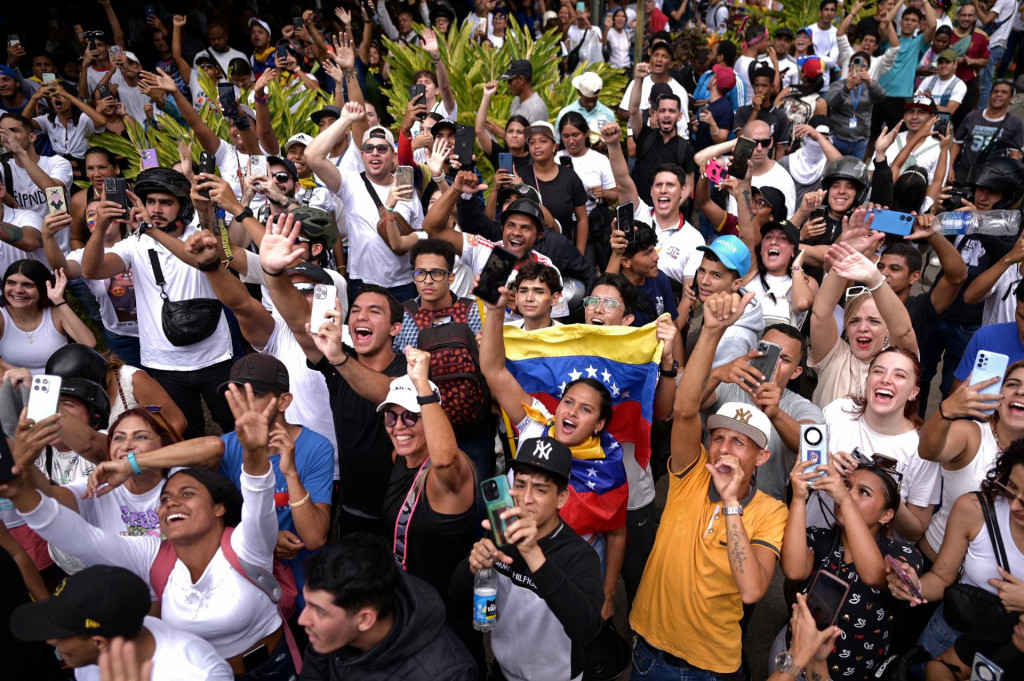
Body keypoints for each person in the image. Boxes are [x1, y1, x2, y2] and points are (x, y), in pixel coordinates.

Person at [1, 382, 299, 676]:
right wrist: (17, 479)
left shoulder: (242, 541)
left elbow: (257, 500)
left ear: (218, 507)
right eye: (165, 499)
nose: (172, 503)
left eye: (187, 495)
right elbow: (80, 537)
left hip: (274, 668)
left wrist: (256, 454)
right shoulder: (149, 551)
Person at [630, 289, 788, 678]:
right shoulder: (690, 474)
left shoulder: (772, 512)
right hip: (646, 650)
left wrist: (732, 504)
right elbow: (684, 409)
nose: (723, 448)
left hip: (705, 668)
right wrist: (713, 332)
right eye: (717, 437)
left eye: (738, 441)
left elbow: (752, 591)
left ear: (761, 457)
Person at [258, 214, 408, 539]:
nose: (361, 316)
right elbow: (301, 323)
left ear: (396, 328)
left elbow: (389, 392)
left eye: (374, 311)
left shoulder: (410, 368)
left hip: (404, 511)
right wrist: (272, 273)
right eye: (356, 311)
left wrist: (339, 357)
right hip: (354, 511)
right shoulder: (335, 363)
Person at [80, 168, 234, 439]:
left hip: (215, 357)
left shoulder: (201, 235)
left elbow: (202, 259)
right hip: (163, 363)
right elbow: (91, 271)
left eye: (165, 202)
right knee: (185, 434)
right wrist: (102, 225)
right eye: (150, 201)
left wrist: (149, 229)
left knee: (233, 425)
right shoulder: (134, 244)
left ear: (182, 206)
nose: (156, 208)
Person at [452, 435, 604, 681]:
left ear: (562, 498)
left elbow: (587, 627)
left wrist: (533, 554)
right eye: (521, 485)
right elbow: (457, 596)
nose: (526, 498)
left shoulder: (579, 555)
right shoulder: (501, 531)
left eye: (541, 489)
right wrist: (471, 568)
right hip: (502, 672)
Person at [781, 451, 921, 681]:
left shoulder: (900, 552)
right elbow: (794, 570)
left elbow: (874, 575)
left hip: (854, 674)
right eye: (846, 486)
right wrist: (798, 497)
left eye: (863, 492)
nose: (845, 494)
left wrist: (846, 501)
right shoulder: (818, 538)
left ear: (886, 515)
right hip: (795, 662)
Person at [216, 354, 333, 609]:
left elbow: (314, 538)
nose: (243, 405)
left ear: (284, 401)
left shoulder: (317, 447)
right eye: (236, 395)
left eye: (254, 395)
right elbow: (212, 523)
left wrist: (290, 472)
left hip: (305, 584)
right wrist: (266, 539)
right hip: (245, 584)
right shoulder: (222, 447)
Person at [887, 443, 1024, 660]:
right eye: (1010, 488)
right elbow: (942, 577)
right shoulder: (974, 508)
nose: (1015, 506)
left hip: (1011, 652)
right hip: (950, 635)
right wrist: (916, 585)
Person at [298, 533, 476, 680]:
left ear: (365, 619)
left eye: (319, 611)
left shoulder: (445, 674)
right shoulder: (327, 634)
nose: (302, 620)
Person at [10, 565, 232, 680]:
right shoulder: (98, 645)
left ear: (99, 643)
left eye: (61, 633)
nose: (50, 641)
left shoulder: (199, 674)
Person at [389, 239, 491, 475]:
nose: (427, 280)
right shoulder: (402, 316)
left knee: (476, 490)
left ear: (451, 277)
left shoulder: (474, 310)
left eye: (436, 273)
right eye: (421, 273)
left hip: (474, 423)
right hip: (421, 427)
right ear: (413, 275)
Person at [305, 104, 424, 302]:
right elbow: (311, 156)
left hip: (404, 286)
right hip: (362, 285)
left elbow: (420, 233)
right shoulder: (350, 182)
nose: (374, 152)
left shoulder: (407, 189)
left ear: (393, 155)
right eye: (368, 148)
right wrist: (344, 120)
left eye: (382, 148)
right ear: (362, 155)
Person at [821, 347, 940, 542]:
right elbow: (800, 475)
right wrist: (824, 465)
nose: (886, 379)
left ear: (914, 392)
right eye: (878, 371)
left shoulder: (921, 449)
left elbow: (916, 531)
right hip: (815, 543)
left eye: (899, 375)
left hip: (874, 559)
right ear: (868, 380)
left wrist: (887, 490)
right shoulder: (837, 413)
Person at [702, 324, 825, 502]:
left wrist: (776, 414)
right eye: (768, 351)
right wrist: (716, 375)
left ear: (796, 372)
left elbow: (812, 449)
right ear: (754, 352)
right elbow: (686, 406)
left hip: (764, 512)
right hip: (707, 499)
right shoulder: (728, 384)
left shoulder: (803, 407)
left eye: (785, 359)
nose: (775, 363)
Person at [918, 360, 1024, 560]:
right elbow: (928, 451)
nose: (1020, 392)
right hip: (931, 563)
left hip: (992, 585)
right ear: (998, 394)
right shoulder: (971, 434)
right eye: (1012, 384)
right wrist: (946, 411)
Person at [808, 233, 919, 406]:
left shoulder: (898, 365)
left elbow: (904, 331)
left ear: (888, 330)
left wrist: (875, 279)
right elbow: (820, 314)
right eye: (854, 321)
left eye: (873, 321)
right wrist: (847, 256)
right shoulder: (834, 356)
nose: (863, 328)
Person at [0, 259, 94, 377]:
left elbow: (88, 344)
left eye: (28, 285)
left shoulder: (55, 314)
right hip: (17, 388)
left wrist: (58, 300)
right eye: (11, 283)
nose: (18, 290)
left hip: (59, 389)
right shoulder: (2, 317)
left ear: (42, 289)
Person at [683, 235, 765, 368]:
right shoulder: (714, 302)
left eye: (716, 275)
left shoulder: (733, 339)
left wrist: (677, 377)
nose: (704, 281)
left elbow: (719, 388)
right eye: (702, 271)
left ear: (736, 284)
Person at [628, 63, 696, 205]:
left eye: (672, 111)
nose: (666, 115)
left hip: (667, 213)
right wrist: (638, 79)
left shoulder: (685, 149)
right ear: (655, 113)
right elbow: (633, 110)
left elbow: (688, 186)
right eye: (662, 111)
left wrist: (671, 209)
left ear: (679, 116)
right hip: (640, 209)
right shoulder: (644, 135)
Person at [516, 122, 589, 254]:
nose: (537, 146)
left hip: (563, 253)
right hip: (529, 253)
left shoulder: (570, 177)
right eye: (532, 143)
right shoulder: (521, 176)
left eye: (543, 141)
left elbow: (582, 219)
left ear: (554, 146)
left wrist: (579, 254)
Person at [0, 113, 73, 224]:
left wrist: (20, 152)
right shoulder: (3, 169)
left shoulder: (57, 162)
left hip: (58, 239)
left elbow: (54, 194)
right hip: (26, 238)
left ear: (32, 137)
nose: (9, 137)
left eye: (14, 131)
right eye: (3, 132)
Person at [877, 4, 938, 129]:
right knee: (871, 135)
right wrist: (900, 2)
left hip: (902, 97)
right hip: (879, 94)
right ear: (900, 22)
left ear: (918, 25)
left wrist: (925, 1)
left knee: (897, 136)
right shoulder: (889, 39)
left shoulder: (919, 42)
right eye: (906, 19)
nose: (909, 23)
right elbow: (883, 25)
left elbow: (932, 25)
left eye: (913, 20)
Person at [951, 79, 1024, 181]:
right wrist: (949, 167)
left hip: (992, 180)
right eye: (995, 91)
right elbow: (957, 143)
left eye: (1004, 92)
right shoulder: (972, 116)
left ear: (1010, 98)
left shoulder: (1015, 122)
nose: (998, 94)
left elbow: (1014, 155)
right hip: (964, 175)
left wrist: (1007, 178)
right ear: (990, 96)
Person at [827, 52, 887, 159]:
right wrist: (847, 87)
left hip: (860, 141)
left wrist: (870, 82)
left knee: (854, 174)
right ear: (849, 67)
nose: (859, 68)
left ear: (868, 68)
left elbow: (881, 97)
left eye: (863, 66)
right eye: (856, 64)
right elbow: (832, 103)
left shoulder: (871, 85)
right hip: (837, 139)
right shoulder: (838, 84)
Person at [476, 81, 532, 173]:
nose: (514, 135)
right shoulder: (499, 155)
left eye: (519, 132)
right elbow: (479, 131)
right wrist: (486, 96)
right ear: (505, 135)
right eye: (510, 131)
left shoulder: (534, 159)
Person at [554, 73, 617, 141]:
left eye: (594, 100)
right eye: (587, 101)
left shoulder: (608, 114)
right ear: (579, 93)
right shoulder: (565, 113)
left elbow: (614, 141)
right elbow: (557, 141)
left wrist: (606, 144)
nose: (591, 104)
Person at [509, 262, 563, 331]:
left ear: (554, 298)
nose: (529, 298)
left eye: (539, 292)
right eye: (523, 291)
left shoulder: (568, 338)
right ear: (516, 296)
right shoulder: (503, 333)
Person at [916, 49, 968, 116]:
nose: (943, 65)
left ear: (955, 65)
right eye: (941, 62)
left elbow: (949, 112)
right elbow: (914, 102)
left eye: (947, 62)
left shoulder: (960, 85)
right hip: (922, 121)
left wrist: (927, 101)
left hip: (942, 124)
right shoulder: (928, 80)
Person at [501, 59, 548, 124]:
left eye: (510, 81)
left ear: (521, 80)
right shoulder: (517, 100)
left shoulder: (536, 109)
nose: (508, 86)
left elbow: (535, 134)